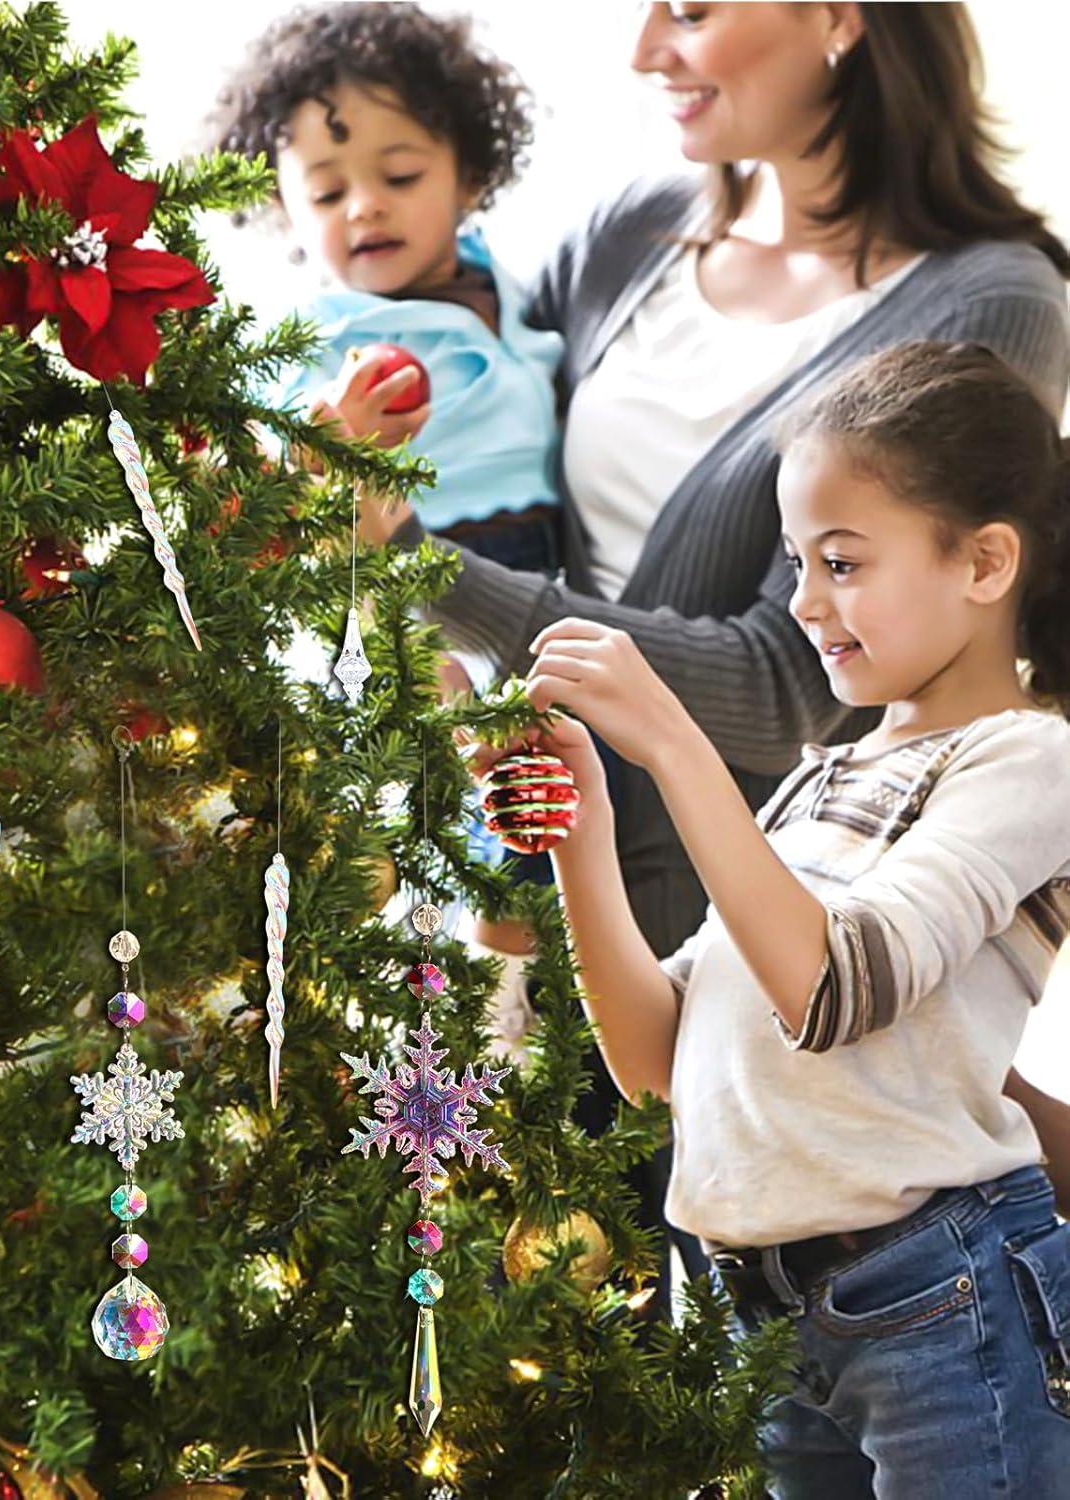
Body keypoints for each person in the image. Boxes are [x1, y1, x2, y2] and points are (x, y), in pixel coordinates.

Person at [350, 2, 1070, 1306]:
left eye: (690, 8)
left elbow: (793, 687)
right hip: (541, 874)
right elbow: (497, 442)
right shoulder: (626, 233)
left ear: (841, 18)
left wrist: (417, 564)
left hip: (731, 908)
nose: (644, 50)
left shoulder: (992, 301)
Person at [517, 340, 1070, 1495]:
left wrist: (671, 738)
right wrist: (583, 831)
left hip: (940, 1294)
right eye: (795, 563)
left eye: (842, 562)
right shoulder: (815, 780)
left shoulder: (1029, 758)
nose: (807, 603)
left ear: (985, 561)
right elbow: (659, 1065)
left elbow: (835, 986)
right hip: (758, 1312)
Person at [211, 3, 565, 583]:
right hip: (413, 566)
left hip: (544, 564)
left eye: (400, 177)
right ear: (284, 208)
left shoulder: (504, 284)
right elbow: (269, 478)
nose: (365, 206)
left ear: (469, 177)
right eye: (327, 194)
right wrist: (330, 437)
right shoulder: (320, 333)